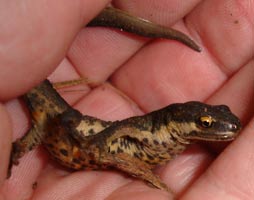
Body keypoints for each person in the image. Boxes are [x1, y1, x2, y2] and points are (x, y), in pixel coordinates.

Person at [0, 1, 253, 199]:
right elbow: (122, 129)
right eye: (206, 122)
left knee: (46, 120)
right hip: (73, 131)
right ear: (176, 120)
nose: (215, 126)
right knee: (53, 115)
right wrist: (98, 142)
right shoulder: (153, 129)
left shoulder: (175, 142)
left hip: (63, 143)